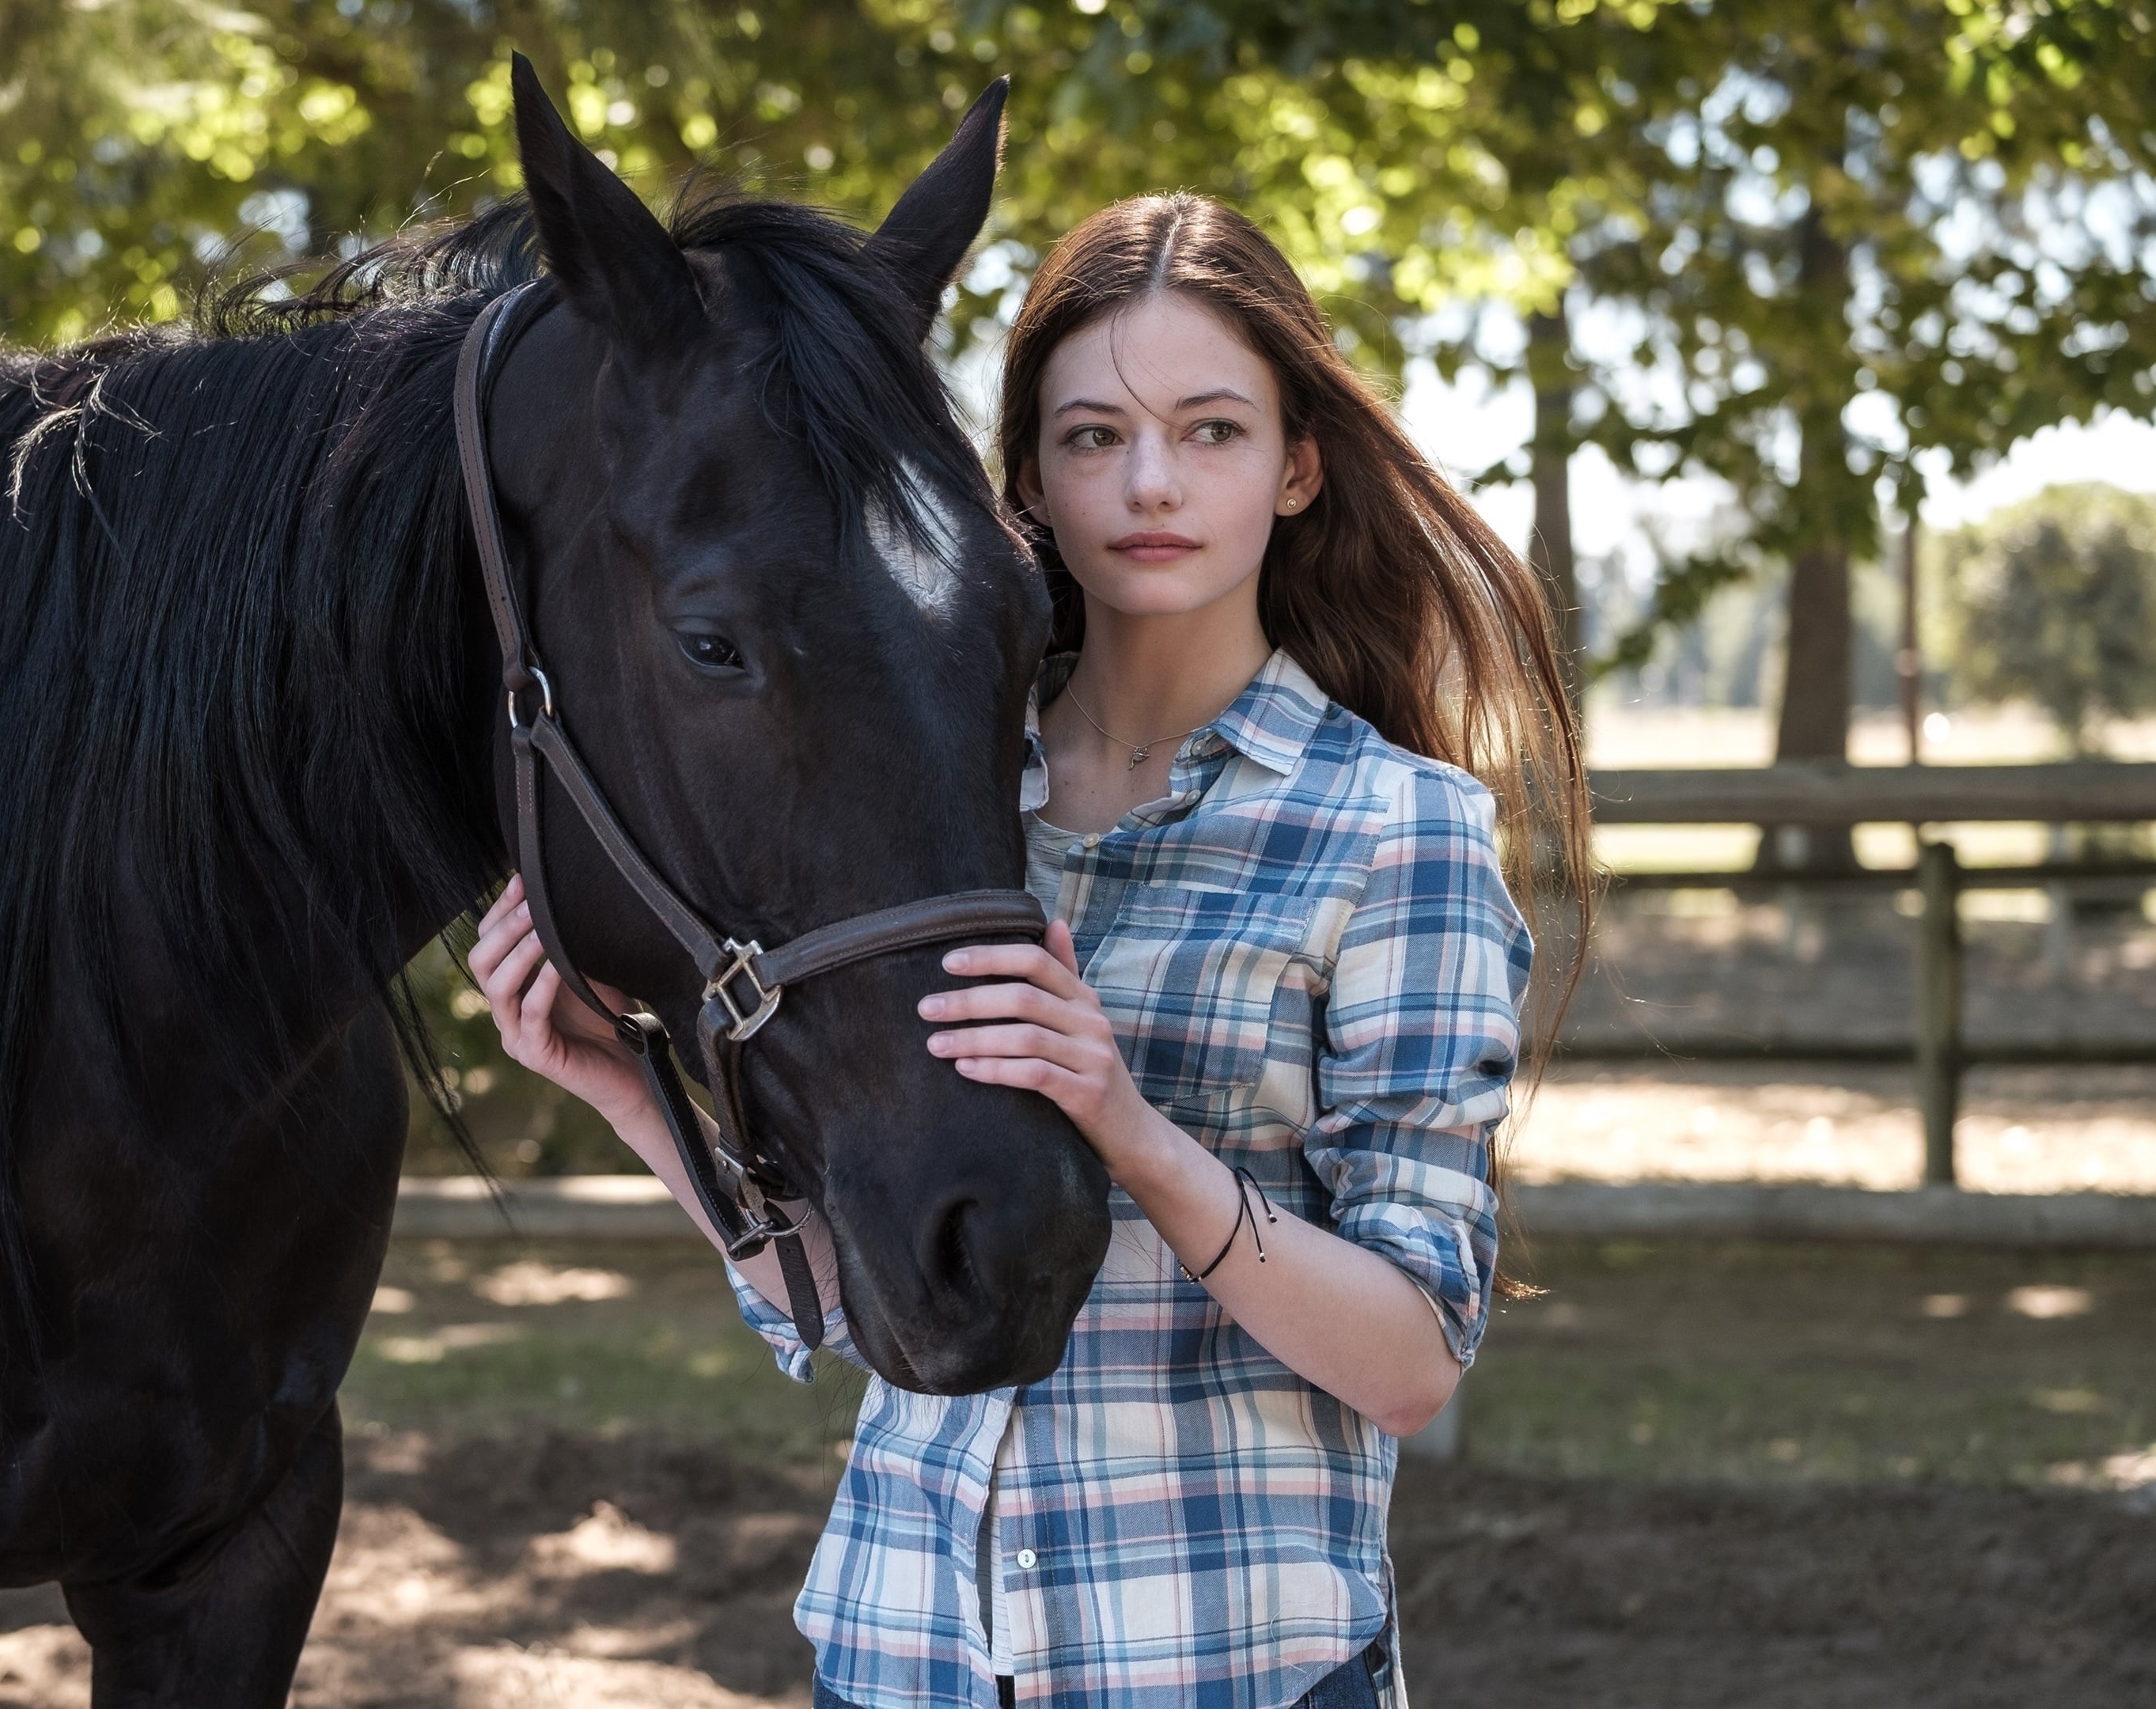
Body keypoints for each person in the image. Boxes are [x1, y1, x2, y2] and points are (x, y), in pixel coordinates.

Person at [466, 191, 1589, 1709]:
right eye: (1089, 436)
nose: (1148, 483)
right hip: (900, 1654)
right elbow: (872, 1303)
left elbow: (1411, 1358)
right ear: (1026, 483)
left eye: (1209, 431)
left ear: (1299, 464)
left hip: (1223, 1670)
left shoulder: (1398, 834)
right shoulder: (935, 803)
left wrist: (1127, 1126)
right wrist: (620, 1092)